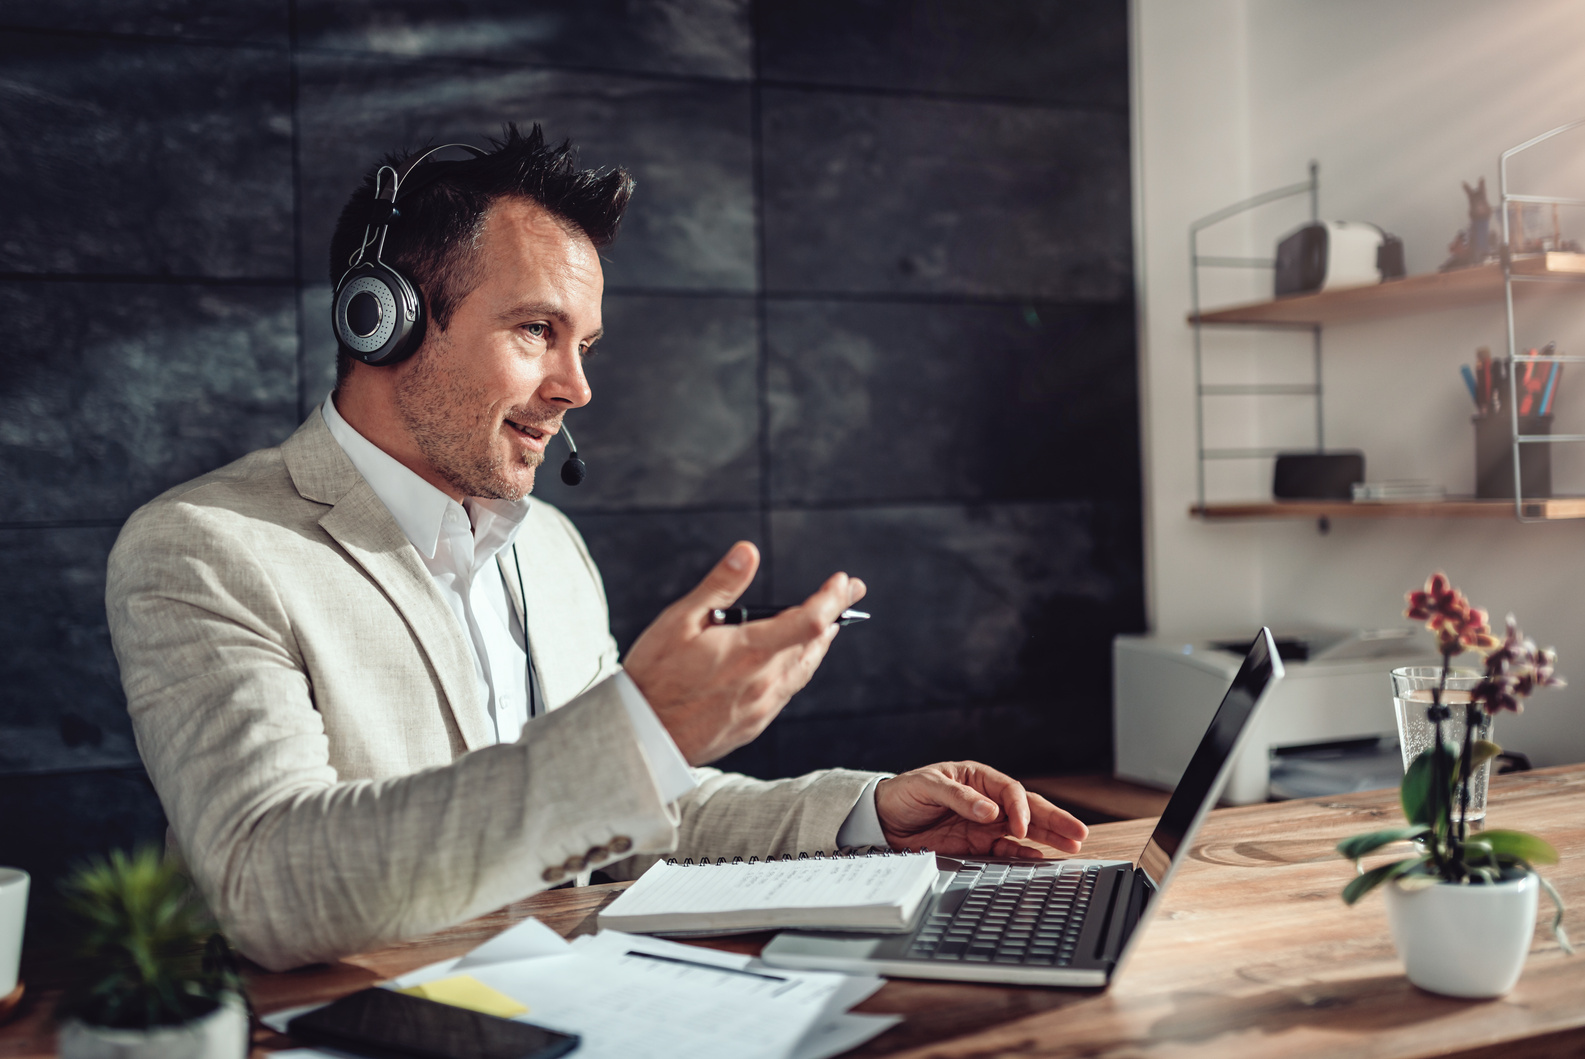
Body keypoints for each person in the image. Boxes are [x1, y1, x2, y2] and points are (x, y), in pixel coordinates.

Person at [105, 126, 1087, 971]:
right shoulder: (205, 552)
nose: (577, 387)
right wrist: (638, 728)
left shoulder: (550, 548)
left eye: (586, 344)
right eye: (537, 330)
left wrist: (869, 813)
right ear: (383, 319)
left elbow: (639, 812)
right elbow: (267, 885)